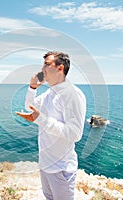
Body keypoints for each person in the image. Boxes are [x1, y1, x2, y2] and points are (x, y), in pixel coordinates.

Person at [15, 51, 86, 200]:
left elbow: (75, 134)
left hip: (61, 168)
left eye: (47, 64)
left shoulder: (71, 94)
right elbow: (30, 107)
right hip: (46, 165)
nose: (42, 69)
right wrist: (32, 88)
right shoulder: (50, 92)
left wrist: (41, 119)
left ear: (60, 68)